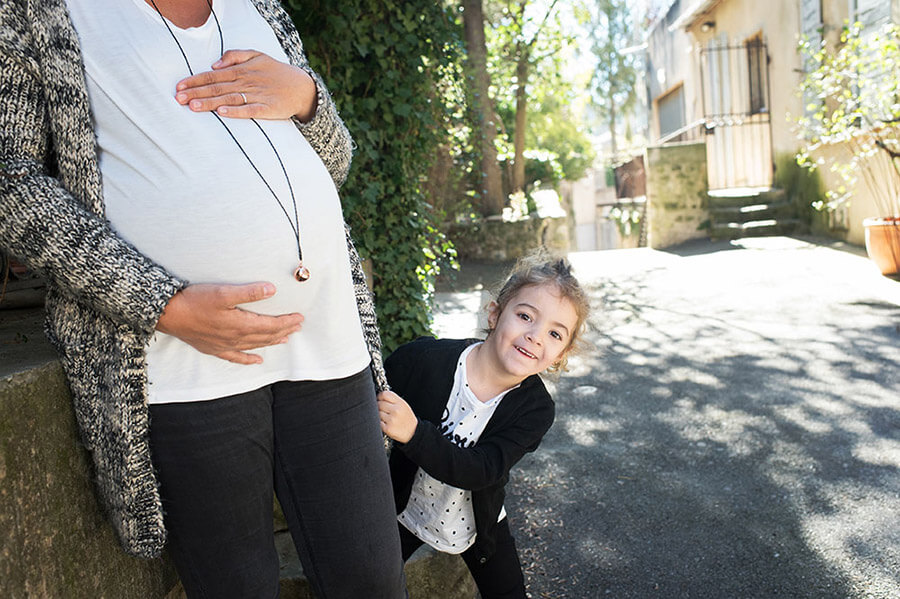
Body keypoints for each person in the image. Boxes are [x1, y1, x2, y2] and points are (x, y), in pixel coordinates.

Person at [0, 1, 406, 597]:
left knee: (373, 582)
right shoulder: (40, 11)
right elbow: (9, 179)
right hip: (183, 364)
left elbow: (335, 161)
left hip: (327, 340)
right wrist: (161, 304)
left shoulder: (262, 8)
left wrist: (307, 98)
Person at [377, 254, 590, 599]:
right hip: (403, 510)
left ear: (561, 355)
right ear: (494, 314)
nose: (535, 336)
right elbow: (369, 401)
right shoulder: (422, 361)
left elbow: (483, 469)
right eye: (525, 316)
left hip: (474, 522)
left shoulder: (535, 410)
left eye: (554, 333)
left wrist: (414, 433)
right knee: (367, 584)